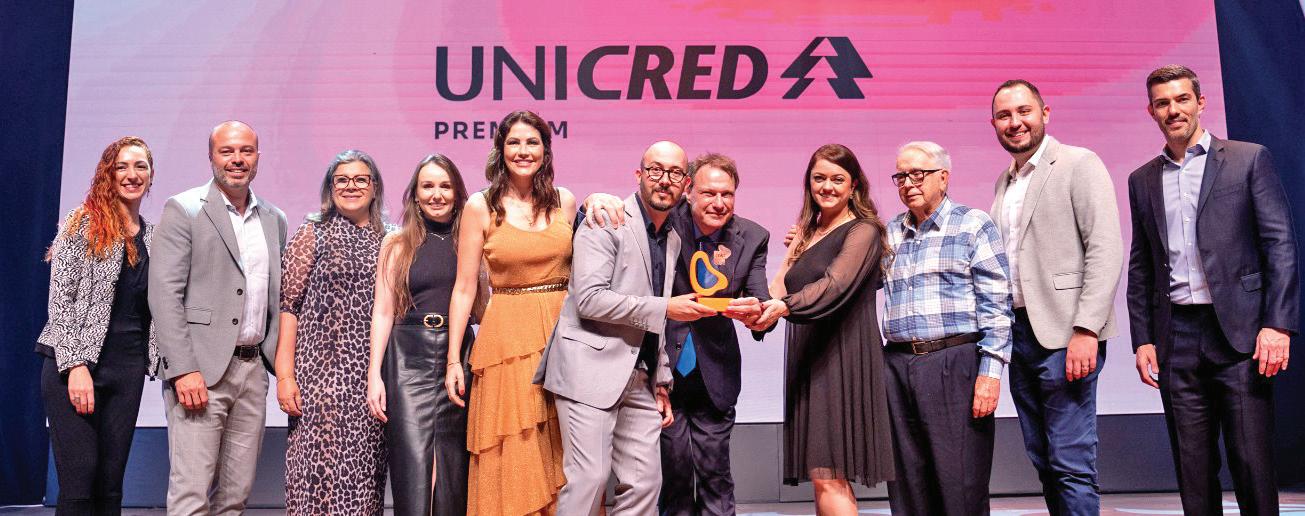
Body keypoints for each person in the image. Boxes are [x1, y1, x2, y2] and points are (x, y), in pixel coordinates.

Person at [1126, 65, 1297, 516]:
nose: (1173, 110)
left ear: (1200, 102)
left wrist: (1277, 324)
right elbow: (1142, 264)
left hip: (1239, 335)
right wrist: (1143, 338)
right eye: (1162, 103)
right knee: (1193, 469)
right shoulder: (1142, 179)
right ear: (1151, 112)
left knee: (1251, 463)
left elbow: (1280, 246)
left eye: (1182, 99)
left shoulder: (1247, 159)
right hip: (1177, 338)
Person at [534, 141, 718, 515]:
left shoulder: (672, 237)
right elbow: (589, 300)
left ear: (685, 185)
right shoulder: (606, 218)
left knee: (645, 485)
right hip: (588, 368)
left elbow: (654, 322)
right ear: (639, 175)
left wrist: (662, 379)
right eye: (655, 170)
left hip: (640, 376)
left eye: (675, 173)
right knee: (589, 479)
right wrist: (666, 308)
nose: (664, 180)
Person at [988, 79, 1123, 515]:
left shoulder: (1078, 163)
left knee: (1070, 461)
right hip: (1020, 336)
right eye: (1004, 115)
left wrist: (1086, 329)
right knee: (1043, 458)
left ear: (1045, 113)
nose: (1015, 122)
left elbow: (1105, 248)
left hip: (1067, 334)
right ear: (994, 124)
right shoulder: (1005, 181)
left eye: (1023, 111)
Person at [148, 120, 288, 516]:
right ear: (211, 156)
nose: (237, 159)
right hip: (200, 372)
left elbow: (274, 298)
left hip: (252, 372)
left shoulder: (273, 218)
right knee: (191, 495)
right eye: (227, 151)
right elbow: (164, 296)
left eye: (246, 151)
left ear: (258, 157)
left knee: (235, 498)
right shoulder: (184, 209)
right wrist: (183, 369)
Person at [750, 143, 895, 515]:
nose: (827, 186)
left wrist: (784, 307)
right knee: (823, 475)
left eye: (837, 179)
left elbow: (835, 285)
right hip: (811, 360)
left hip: (841, 359)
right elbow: (780, 287)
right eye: (819, 178)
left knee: (829, 474)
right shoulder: (809, 232)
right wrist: (760, 309)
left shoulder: (863, 231)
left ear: (854, 185)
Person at [445, 110, 571, 515]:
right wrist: (453, 359)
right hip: (507, 343)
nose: (523, 151)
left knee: (565, 446)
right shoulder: (480, 206)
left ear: (545, 150)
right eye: (514, 142)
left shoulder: (565, 201)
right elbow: (464, 288)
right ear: (500, 149)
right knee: (516, 443)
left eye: (532, 142)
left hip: (562, 336)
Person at [881, 141, 1013, 515]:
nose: (908, 183)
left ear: (943, 177)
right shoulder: (890, 232)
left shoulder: (973, 224)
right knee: (907, 484)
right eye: (901, 176)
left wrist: (990, 374)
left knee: (960, 484)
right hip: (897, 365)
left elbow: (997, 304)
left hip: (953, 362)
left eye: (917, 174)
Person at [37, 136, 160, 515]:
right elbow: (60, 301)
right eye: (122, 166)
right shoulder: (82, 223)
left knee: (109, 486)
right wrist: (75, 366)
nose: (132, 174)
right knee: (79, 483)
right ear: (108, 173)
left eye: (140, 166)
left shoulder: (154, 236)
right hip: (74, 367)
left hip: (127, 370)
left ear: (151, 175)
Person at [366, 154, 482, 516]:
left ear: (458, 193)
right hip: (407, 356)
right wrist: (374, 375)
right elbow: (383, 311)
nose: (436, 194)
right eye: (427, 186)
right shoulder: (396, 243)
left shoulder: (471, 240)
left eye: (445, 186)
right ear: (415, 194)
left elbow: (481, 307)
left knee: (451, 468)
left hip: (457, 355)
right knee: (414, 466)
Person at [275, 150, 389, 514]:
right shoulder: (312, 233)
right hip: (318, 381)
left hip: (371, 382)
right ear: (330, 187)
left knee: (364, 480)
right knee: (316, 478)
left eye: (360, 179)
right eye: (342, 179)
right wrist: (285, 376)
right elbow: (288, 307)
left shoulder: (391, 238)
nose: (351, 186)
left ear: (374, 187)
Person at [659, 153, 771, 516]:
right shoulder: (662, 222)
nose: (719, 203)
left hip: (715, 369)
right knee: (674, 475)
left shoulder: (752, 236)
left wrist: (757, 314)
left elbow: (761, 301)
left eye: (727, 194)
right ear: (688, 190)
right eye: (709, 193)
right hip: (662, 368)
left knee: (715, 476)